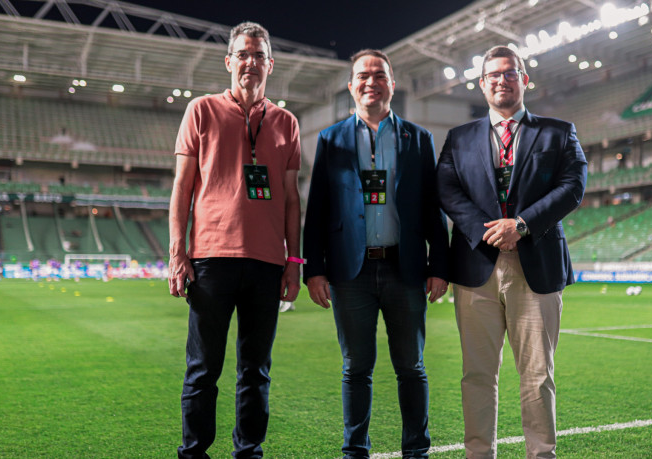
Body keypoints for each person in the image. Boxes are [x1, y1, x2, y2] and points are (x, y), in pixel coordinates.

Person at [436, 45, 587, 458]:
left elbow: (573, 186)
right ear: (482, 84)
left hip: (536, 265)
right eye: (493, 75)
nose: (502, 80)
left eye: (510, 73)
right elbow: (447, 191)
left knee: (538, 376)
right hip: (476, 268)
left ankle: (541, 454)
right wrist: (489, 232)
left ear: (525, 79)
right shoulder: (459, 138)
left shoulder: (558, 132)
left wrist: (520, 225)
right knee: (477, 375)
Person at [302, 49, 449, 458]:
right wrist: (314, 269)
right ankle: (355, 451)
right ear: (351, 86)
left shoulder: (418, 138)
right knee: (356, 369)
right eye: (363, 76)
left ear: (392, 85)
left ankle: (416, 451)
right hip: (351, 273)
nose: (371, 82)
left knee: (411, 368)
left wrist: (439, 265)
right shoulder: (331, 139)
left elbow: (431, 207)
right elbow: (317, 210)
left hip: (405, 268)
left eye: (379, 75)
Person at [168, 21, 302, 459]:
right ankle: (194, 452)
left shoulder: (286, 122)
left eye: (258, 55)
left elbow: (291, 201)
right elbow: (182, 189)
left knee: (256, 371)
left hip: (266, 263)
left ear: (270, 64)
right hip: (210, 260)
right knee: (203, 369)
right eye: (242, 54)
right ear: (229, 61)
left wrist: (294, 261)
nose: (250, 62)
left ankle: (249, 451)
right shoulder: (201, 110)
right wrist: (178, 254)